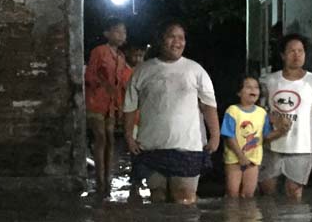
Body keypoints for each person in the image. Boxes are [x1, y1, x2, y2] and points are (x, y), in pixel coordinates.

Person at [123, 21, 220, 205]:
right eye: (171, 36)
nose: (177, 42)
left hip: (188, 147)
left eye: (181, 38)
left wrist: (215, 135)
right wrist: (128, 136)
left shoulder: (196, 70)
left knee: (184, 198)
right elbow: (129, 107)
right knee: (157, 197)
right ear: (161, 40)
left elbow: (209, 106)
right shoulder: (143, 71)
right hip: (151, 147)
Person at [259, 33, 312, 200]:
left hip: (302, 144)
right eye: (292, 51)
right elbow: (258, 109)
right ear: (282, 55)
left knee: (293, 191)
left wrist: (306, 118)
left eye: (301, 51)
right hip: (272, 142)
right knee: (266, 187)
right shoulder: (269, 81)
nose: (297, 55)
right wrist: (273, 119)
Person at [221, 77, 290, 198]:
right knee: (232, 193)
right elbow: (229, 137)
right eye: (248, 87)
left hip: (253, 159)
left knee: (248, 194)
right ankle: (233, 216)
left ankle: (247, 217)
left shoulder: (261, 113)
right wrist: (241, 156)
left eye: (256, 87)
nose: (253, 89)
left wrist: (281, 131)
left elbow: (265, 136)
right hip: (234, 159)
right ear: (239, 92)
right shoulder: (232, 111)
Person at [85, 17, 128, 195]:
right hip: (96, 101)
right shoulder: (99, 52)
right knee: (101, 137)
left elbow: (124, 81)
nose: (122, 35)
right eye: (117, 31)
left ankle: (107, 177)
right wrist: (102, 84)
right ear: (107, 33)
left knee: (110, 139)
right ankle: (100, 179)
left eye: (124, 32)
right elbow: (89, 75)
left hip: (112, 104)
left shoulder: (121, 57)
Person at [122, 45, 149, 201]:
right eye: (136, 55)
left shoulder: (146, 73)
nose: (138, 59)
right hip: (134, 121)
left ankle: (138, 181)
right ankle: (136, 181)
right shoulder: (127, 73)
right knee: (136, 153)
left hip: (146, 120)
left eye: (141, 56)